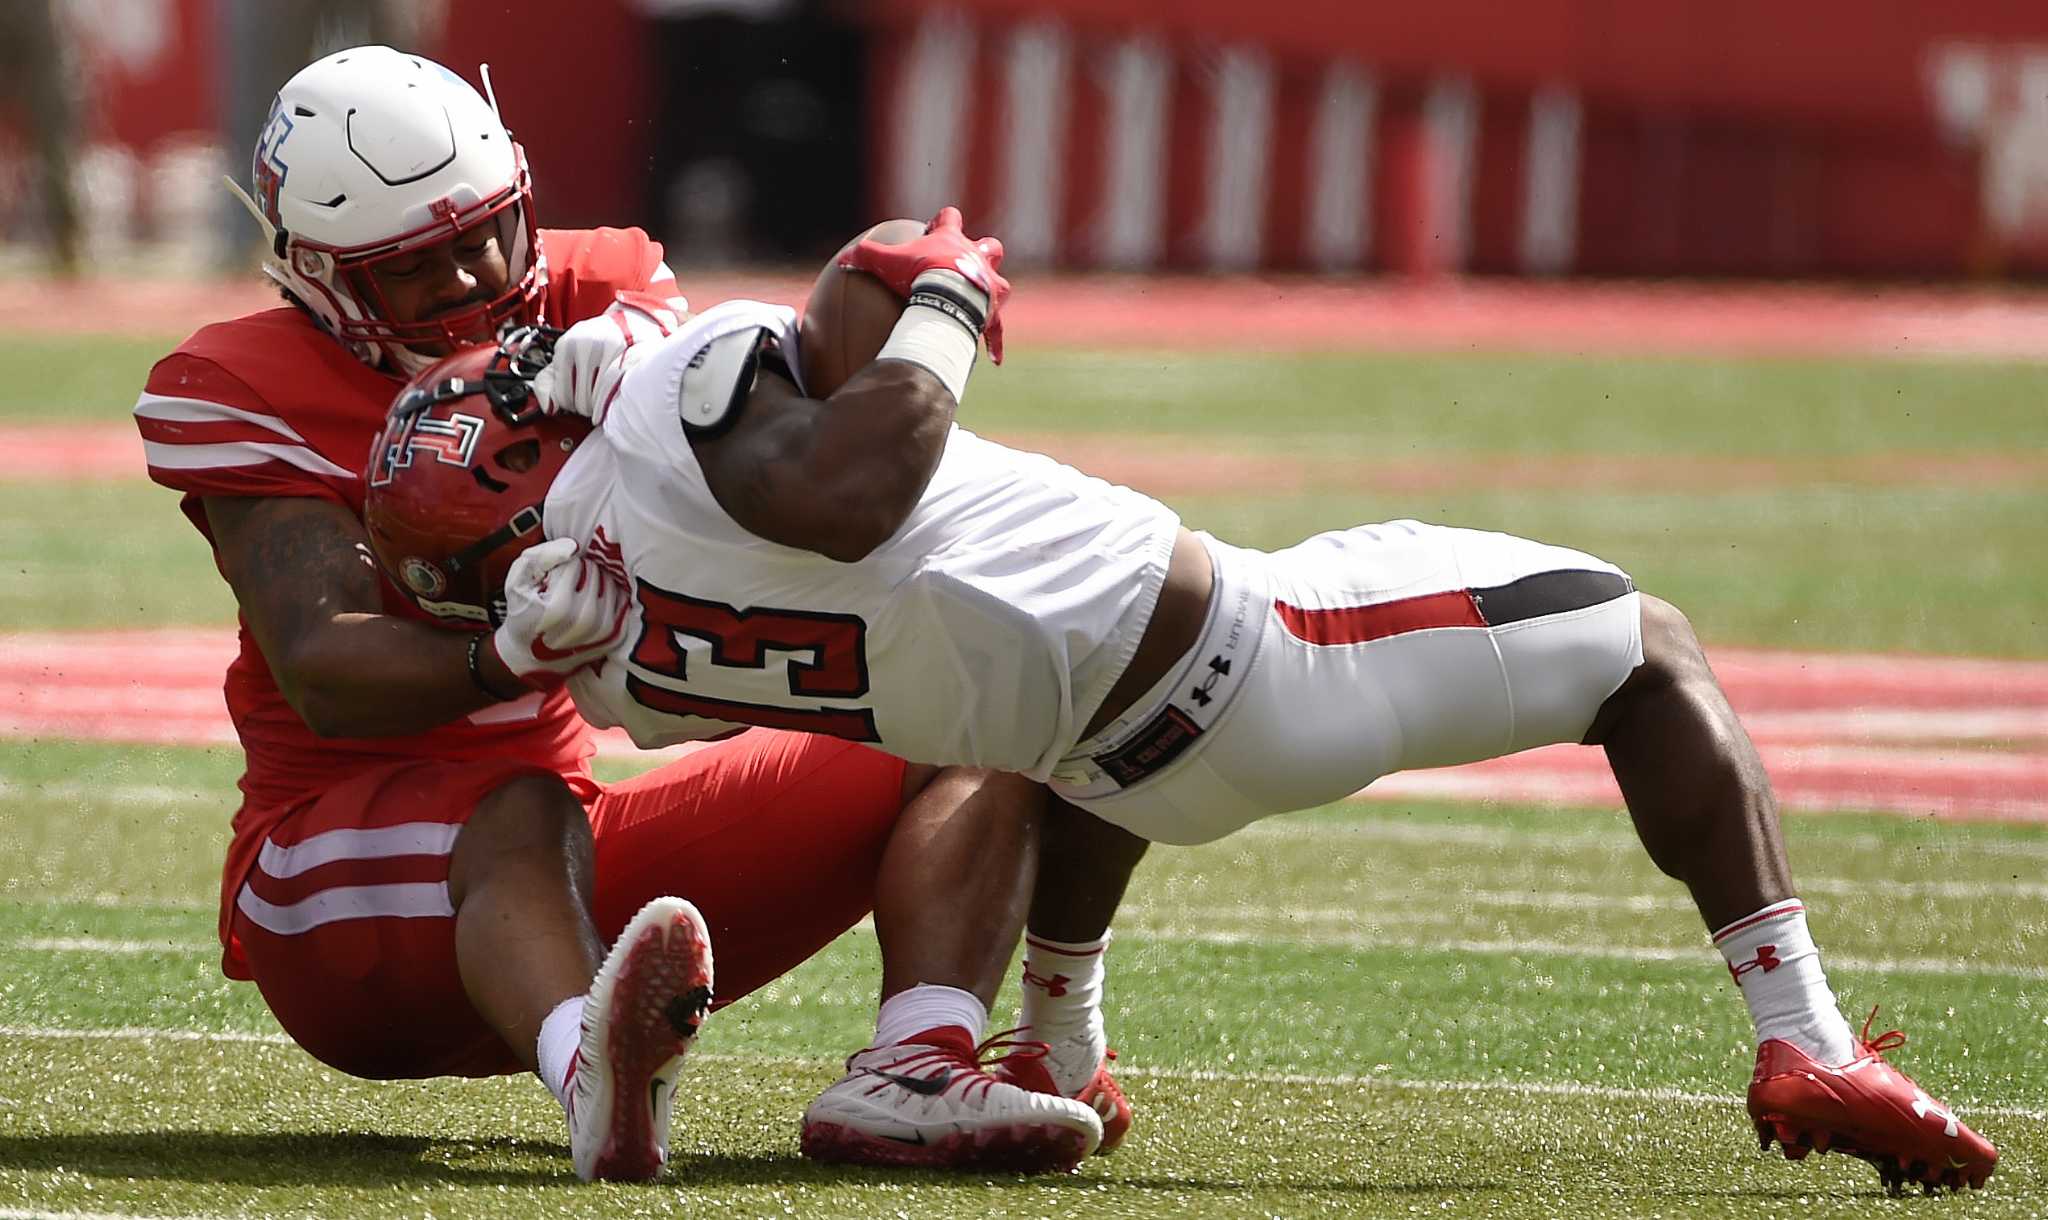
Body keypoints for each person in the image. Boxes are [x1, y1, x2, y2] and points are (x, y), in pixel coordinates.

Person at [365, 207, 1999, 1195]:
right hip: (1258, 656)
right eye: (501, 401)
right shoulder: (674, 400)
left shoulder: (613, 660)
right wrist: (934, 299)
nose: (521, 365)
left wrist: (646, 395)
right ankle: (1806, 1045)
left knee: (1026, 718)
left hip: (1101, 768)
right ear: (523, 448)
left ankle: (1055, 1038)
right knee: (1644, 645)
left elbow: (726, 530)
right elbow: (857, 480)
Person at [132, 45, 1102, 1180]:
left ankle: (919, 1058)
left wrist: (665, 356)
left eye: (485, 232)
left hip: (565, 860)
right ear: (319, 275)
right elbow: (322, 665)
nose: (469, 276)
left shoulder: (597, 281)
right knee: (520, 800)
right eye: (412, 266)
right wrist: (498, 657)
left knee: (986, 698)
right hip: (334, 889)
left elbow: (746, 434)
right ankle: (593, 1074)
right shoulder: (241, 381)